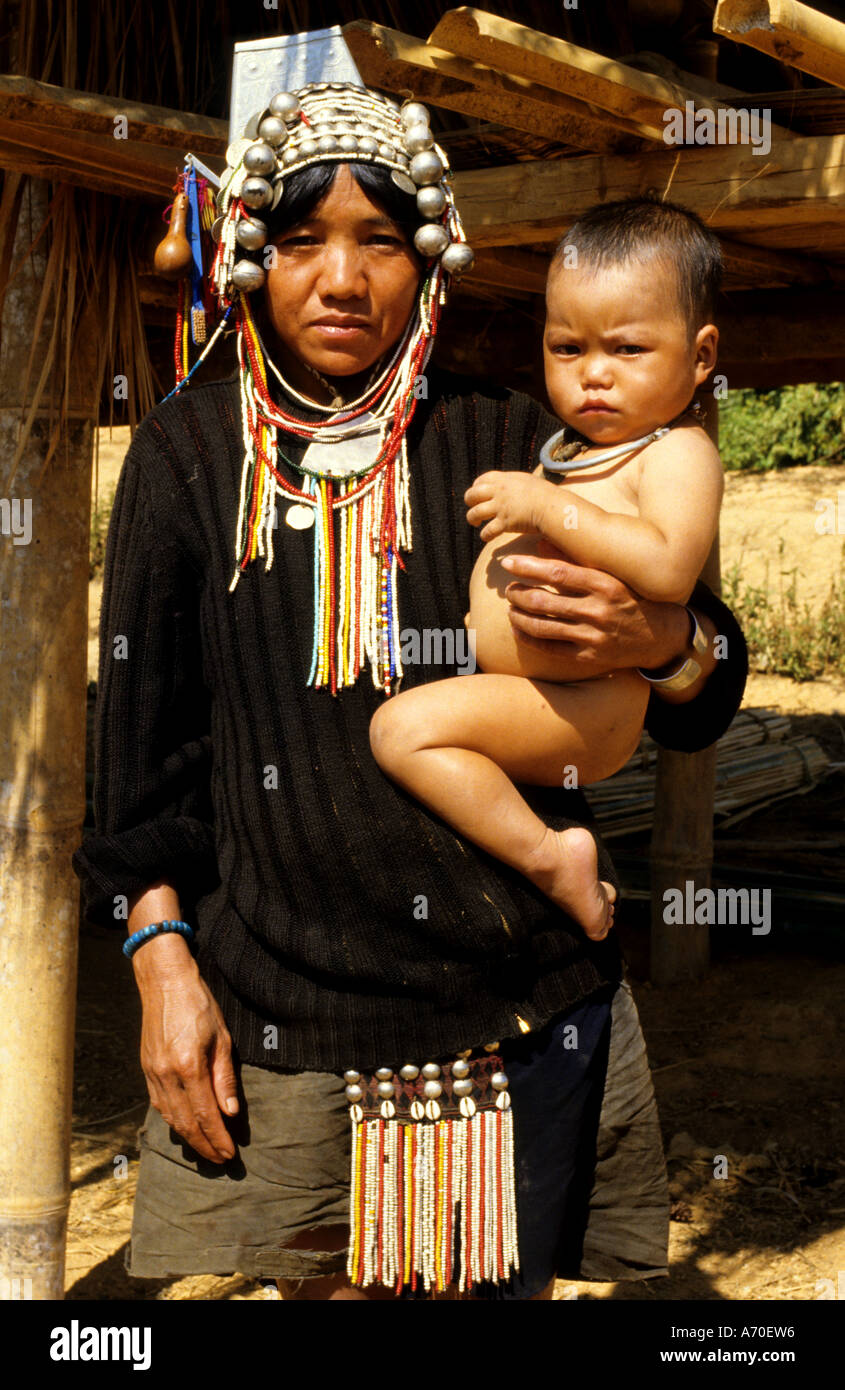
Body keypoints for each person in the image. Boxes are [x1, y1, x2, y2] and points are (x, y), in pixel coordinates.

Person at [72, 83, 747, 1302]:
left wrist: (662, 637)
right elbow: (139, 762)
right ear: (246, 258)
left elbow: (702, 685)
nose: (340, 278)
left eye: (377, 239)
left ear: (427, 253)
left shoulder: (506, 437)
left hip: (515, 1008)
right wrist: (161, 958)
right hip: (284, 1015)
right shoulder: (184, 459)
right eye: (299, 240)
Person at [369, 197, 724, 942]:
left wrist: (545, 509)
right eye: (567, 349)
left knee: (402, 732)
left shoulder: (675, 452)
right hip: (543, 691)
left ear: (700, 358)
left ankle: (549, 857)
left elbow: (665, 570)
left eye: (626, 351)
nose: (593, 375)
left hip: (589, 703)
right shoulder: (574, 448)